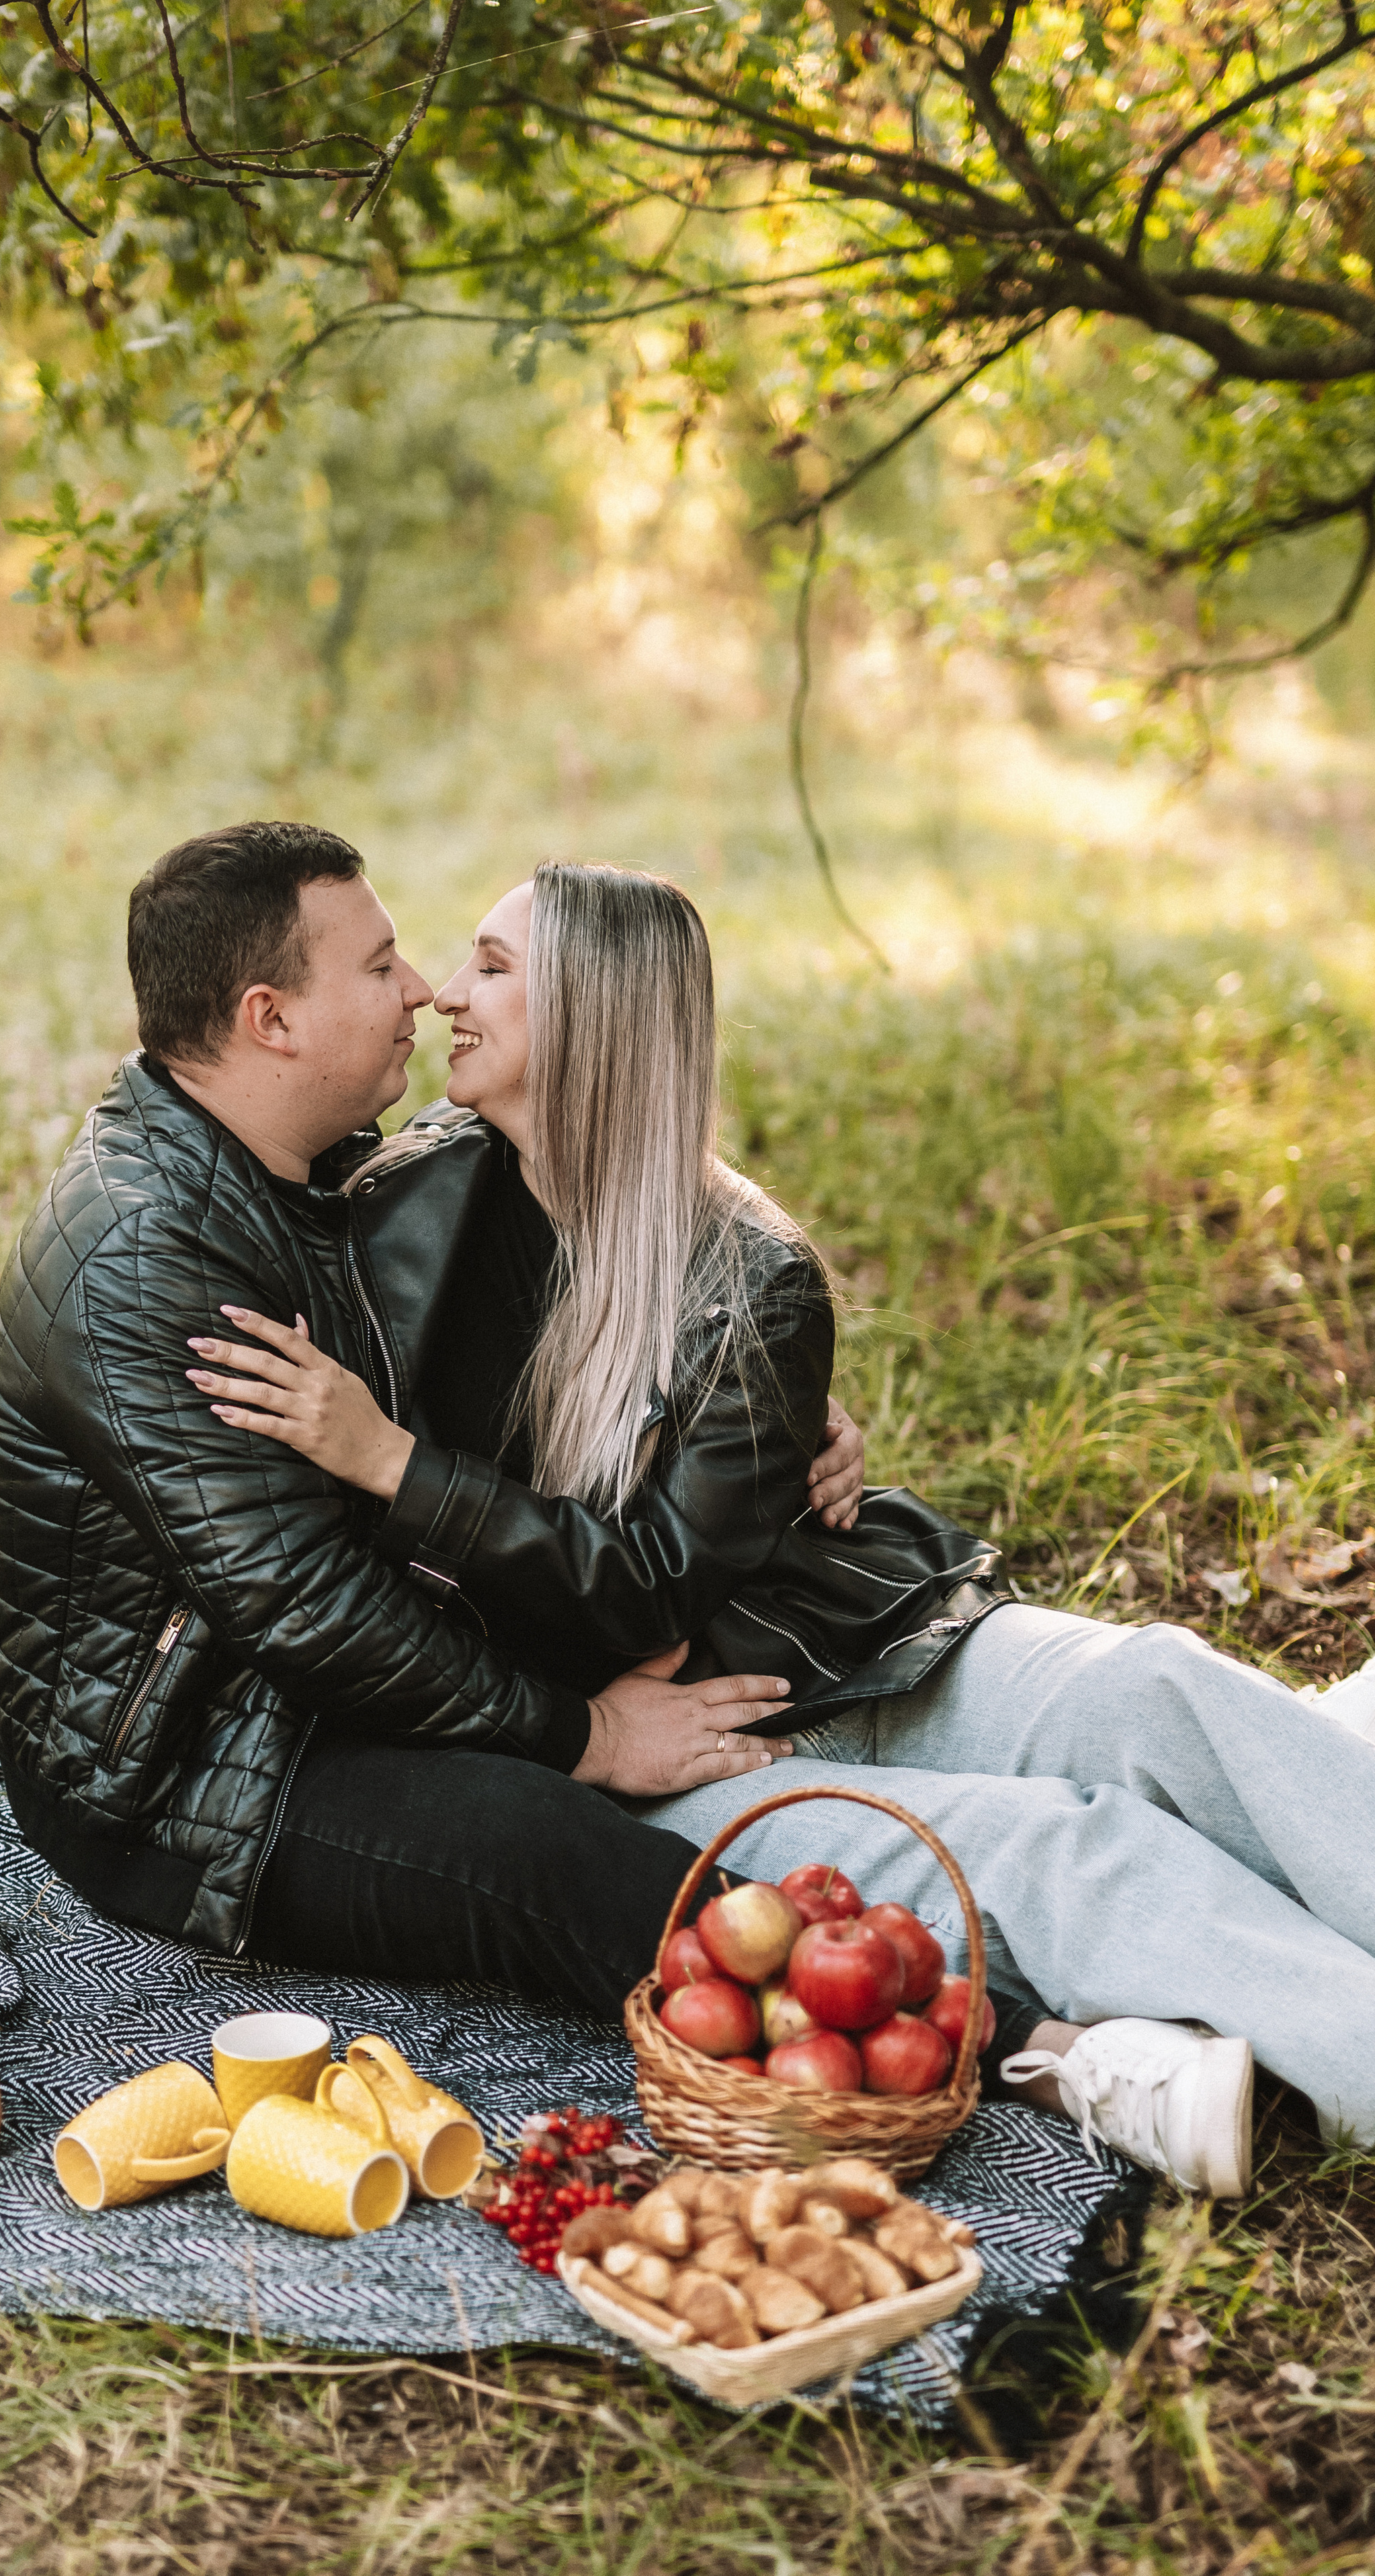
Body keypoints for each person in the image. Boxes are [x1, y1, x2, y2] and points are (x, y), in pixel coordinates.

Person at [185, 861, 1375, 2192]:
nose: (443, 996)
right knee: (1072, 1849)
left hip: (815, 1630)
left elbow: (646, 1578)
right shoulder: (393, 1210)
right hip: (636, 1751)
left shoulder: (749, 1269)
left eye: (492, 968)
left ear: (595, 1023)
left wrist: (415, 1464)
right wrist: (389, 1467)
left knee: (1152, 1684)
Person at [0, 820, 864, 2027]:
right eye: (382, 964)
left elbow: (561, 1278)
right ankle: (944, 2036)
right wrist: (585, 1734)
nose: (424, 990)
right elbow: (306, 1608)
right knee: (539, 1841)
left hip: (306, 1677)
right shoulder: (145, 1258)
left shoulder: (311, 1165)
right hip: (188, 1772)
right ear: (272, 1019)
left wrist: (761, 1397)